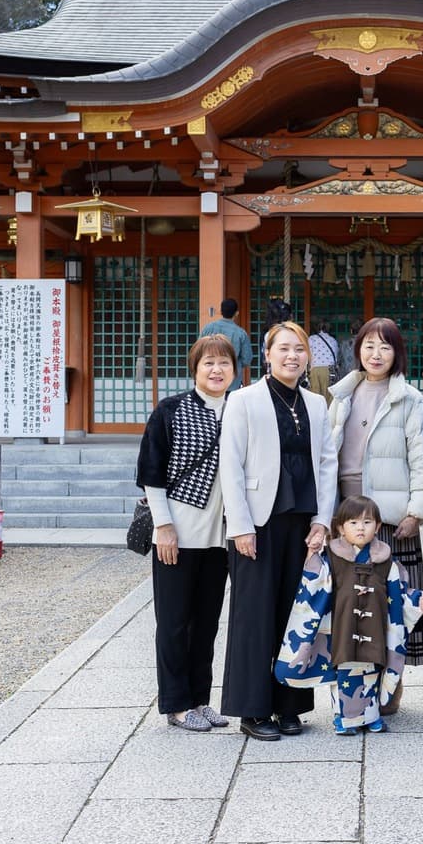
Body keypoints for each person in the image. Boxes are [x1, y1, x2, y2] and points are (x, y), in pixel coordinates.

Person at [219, 320, 338, 741]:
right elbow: (230, 467)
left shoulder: (316, 404)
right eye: (284, 348)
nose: (292, 356)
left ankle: (290, 706)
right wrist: (240, 525)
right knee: (255, 616)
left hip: (301, 524)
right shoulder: (244, 400)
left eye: (299, 350)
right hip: (257, 522)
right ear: (267, 354)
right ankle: (252, 709)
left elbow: (327, 465)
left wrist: (323, 520)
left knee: (296, 617)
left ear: (308, 357)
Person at [327, 316, 423, 711]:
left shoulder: (409, 398)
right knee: (346, 604)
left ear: (397, 354)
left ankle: (392, 683)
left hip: (391, 519)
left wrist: (417, 511)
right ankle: (354, 685)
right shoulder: (341, 396)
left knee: (392, 604)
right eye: (369, 345)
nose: (376, 354)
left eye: (385, 346)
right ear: (357, 350)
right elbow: (328, 460)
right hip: (347, 517)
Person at [134, 334, 236, 732]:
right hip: (178, 530)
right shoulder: (171, 410)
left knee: (207, 622)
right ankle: (176, 704)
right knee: (175, 622)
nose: (216, 370)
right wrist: (164, 527)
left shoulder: (239, 410)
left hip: (220, 536)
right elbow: (151, 473)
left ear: (234, 369)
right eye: (208, 363)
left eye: (224, 363)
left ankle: (200, 698)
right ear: (195, 368)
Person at [274, 495, 423, 735]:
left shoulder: (386, 560)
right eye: (353, 523)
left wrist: (418, 599)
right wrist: (312, 556)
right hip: (342, 627)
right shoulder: (332, 556)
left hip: (374, 627)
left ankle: (371, 716)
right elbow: (315, 584)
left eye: (367, 522)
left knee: (372, 669)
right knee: (343, 671)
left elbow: (400, 592)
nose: (360, 528)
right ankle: (343, 717)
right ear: (340, 528)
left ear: (378, 526)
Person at [200, 298, 253, 390]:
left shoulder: (208, 328)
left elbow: (198, 351)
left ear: (221, 311)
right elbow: (247, 359)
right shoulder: (240, 333)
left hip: (209, 379)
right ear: (237, 313)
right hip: (232, 382)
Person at [307, 318, 340, 399]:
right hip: (331, 370)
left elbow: (308, 356)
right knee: (329, 397)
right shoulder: (333, 340)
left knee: (315, 397)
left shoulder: (311, 339)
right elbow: (337, 357)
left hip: (316, 369)